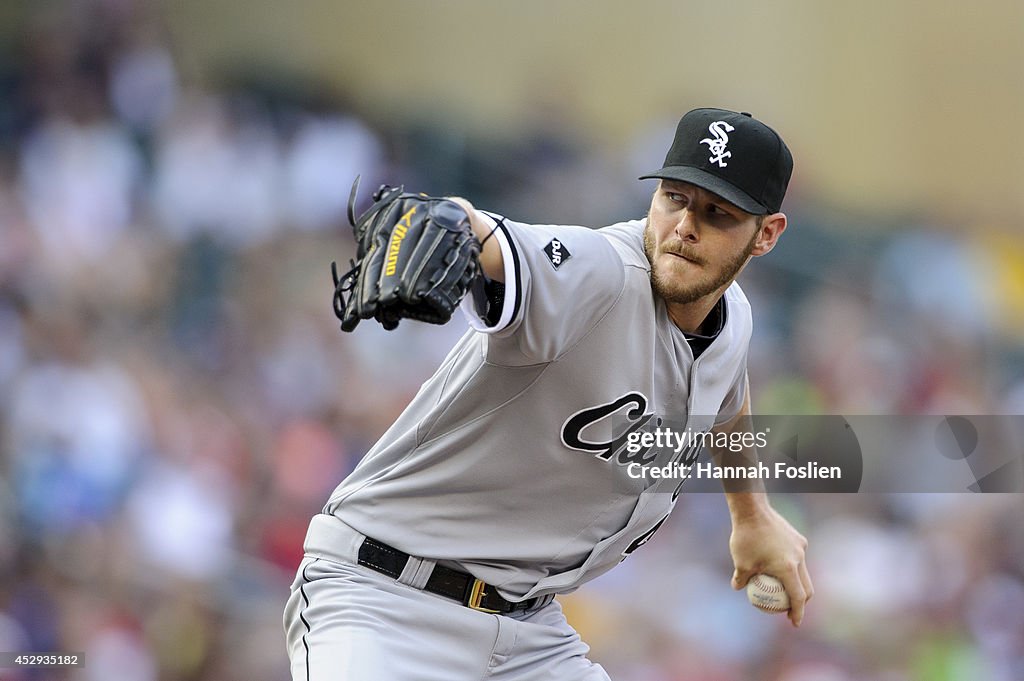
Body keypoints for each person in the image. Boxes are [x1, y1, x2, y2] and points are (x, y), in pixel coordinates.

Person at [283, 107, 812, 680]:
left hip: (530, 637)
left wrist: (752, 513)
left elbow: (726, 397)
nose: (685, 224)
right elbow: (500, 242)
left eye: (717, 212)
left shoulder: (732, 319)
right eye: (674, 197)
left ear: (766, 234)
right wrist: (450, 218)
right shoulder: (602, 273)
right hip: (385, 601)